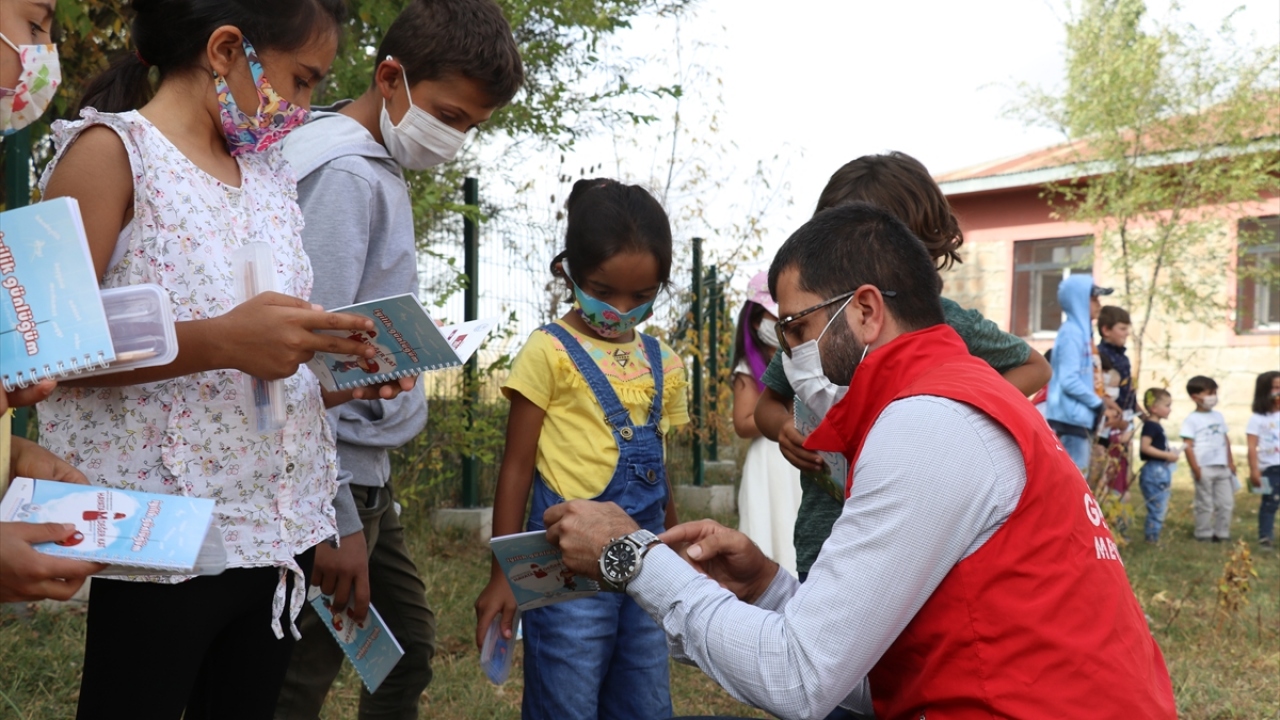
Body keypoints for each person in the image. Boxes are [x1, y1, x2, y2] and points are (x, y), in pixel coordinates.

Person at [545, 203, 1175, 720]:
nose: (790, 356)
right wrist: (765, 588)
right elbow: (875, 666)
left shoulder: (926, 426)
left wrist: (632, 557)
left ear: (866, 311)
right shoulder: (956, 397)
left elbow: (798, 679)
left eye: (797, 329)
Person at [36, 2, 395, 717]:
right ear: (226, 50)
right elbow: (38, 345)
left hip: (275, 537)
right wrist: (221, 341)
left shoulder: (267, 179)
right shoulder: (110, 154)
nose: (305, 106)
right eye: (301, 79)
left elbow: (256, 355)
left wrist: (331, 370)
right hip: (160, 537)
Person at [273, 1, 524, 716]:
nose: (455, 138)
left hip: (364, 474)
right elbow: (305, 362)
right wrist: (336, 519)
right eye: (448, 115)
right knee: (304, 670)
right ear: (390, 78)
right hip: (331, 481)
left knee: (405, 650)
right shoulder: (345, 176)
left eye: (471, 126)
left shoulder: (365, 164)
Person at [752, 152, 1050, 589]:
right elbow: (767, 404)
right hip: (826, 539)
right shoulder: (813, 330)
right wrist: (783, 429)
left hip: (918, 545)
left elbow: (1033, 367)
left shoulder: (949, 323)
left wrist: (959, 416)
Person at [473, 179, 688, 720]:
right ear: (569, 272)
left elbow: (659, 469)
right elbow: (516, 467)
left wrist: (677, 550)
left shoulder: (665, 362)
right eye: (603, 291)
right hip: (565, 573)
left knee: (645, 699)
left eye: (641, 297)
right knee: (566, 700)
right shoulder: (549, 352)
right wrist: (503, 573)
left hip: (647, 566)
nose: (620, 310)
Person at [730, 271, 803, 573]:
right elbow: (742, 423)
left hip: (798, 454)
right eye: (772, 317)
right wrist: (779, 415)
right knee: (772, 527)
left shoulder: (802, 358)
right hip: (770, 459)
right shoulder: (747, 368)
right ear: (755, 321)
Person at [1046, 275, 1118, 472]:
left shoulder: (1082, 332)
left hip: (1079, 419)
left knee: (1078, 478)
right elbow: (1068, 380)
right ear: (1078, 300)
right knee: (1074, 480)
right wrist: (1098, 404)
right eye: (1093, 299)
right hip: (1070, 421)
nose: (1099, 304)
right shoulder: (1071, 333)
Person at [1180, 375, 1236, 542]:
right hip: (1204, 467)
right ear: (1195, 397)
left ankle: (1221, 532)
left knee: (1226, 502)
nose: (1213, 397)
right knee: (1204, 502)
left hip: (1222, 466)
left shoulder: (1218, 416)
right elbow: (1188, 445)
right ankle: (1203, 532)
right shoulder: (1191, 420)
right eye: (1209, 393)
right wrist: (1195, 468)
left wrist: (1230, 462)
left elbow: (1225, 439)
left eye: (1214, 393)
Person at [1139, 388, 1181, 544]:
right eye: (1167, 405)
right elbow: (1145, 447)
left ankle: (1153, 535)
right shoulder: (1151, 426)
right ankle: (1152, 537)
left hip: (1160, 469)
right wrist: (1167, 455)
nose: (1170, 409)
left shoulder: (1156, 426)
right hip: (1154, 470)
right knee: (1157, 505)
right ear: (1154, 408)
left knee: (1161, 504)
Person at [1245, 370, 1280, 550]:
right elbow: (1252, 446)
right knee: (1270, 503)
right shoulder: (1257, 419)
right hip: (1272, 467)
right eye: (1275, 387)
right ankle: (1265, 537)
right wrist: (1254, 469)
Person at [1097, 305, 1137, 416]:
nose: (1127, 333)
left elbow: (1128, 392)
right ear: (1106, 330)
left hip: (1125, 415)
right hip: (1110, 416)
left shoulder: (1123, 358)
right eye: (1123, 329)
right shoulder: (1099, 356)